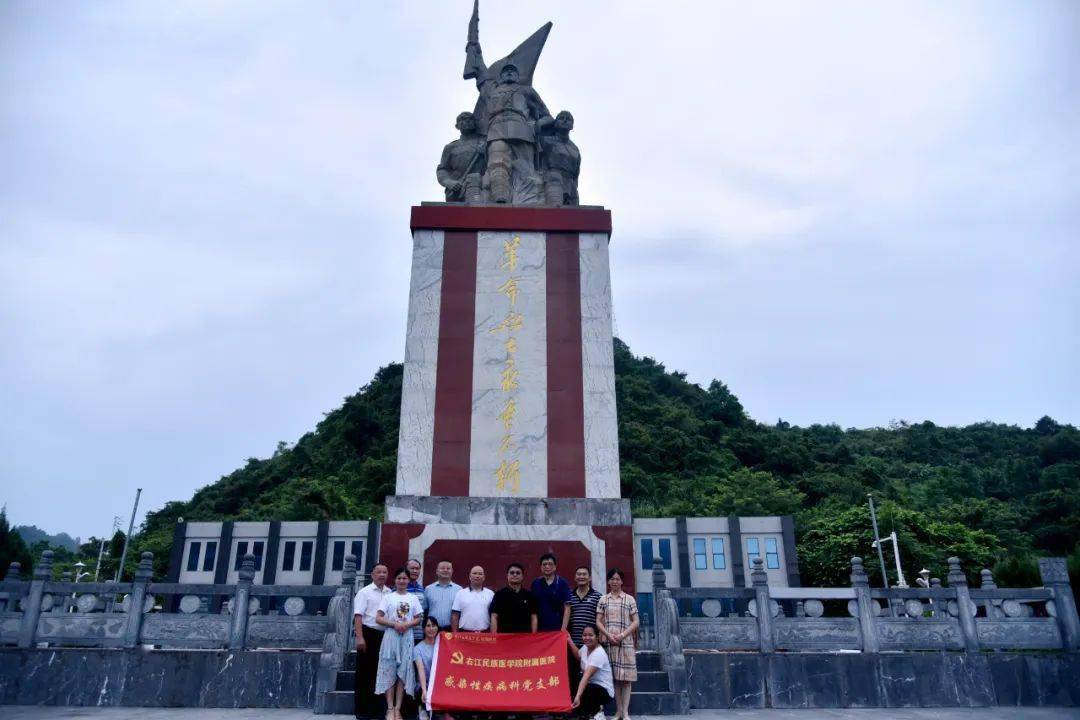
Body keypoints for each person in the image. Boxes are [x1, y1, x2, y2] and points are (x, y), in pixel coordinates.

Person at [375, 568, 423, 720]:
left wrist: (407, 624)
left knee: (403, 672)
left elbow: (418, 618)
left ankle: (398, 708)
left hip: (406, 637)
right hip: (391, 636)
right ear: (395, 580)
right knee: (389, 670)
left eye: (404, 578)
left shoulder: (413, 598)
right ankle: (389, 708)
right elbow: (379, 618)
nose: (402, 581)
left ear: (409, 580)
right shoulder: (388, 597)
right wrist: (393, 624)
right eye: (399, 578)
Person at [596, 569, 638, 720]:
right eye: (612, 579)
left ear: (622, 581)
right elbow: (598, 621)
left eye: (617, 579)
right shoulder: (603, 600)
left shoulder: (629, 599)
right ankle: (618, 711)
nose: (615, 581)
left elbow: (636, 621)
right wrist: (608, 635)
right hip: (609, 643)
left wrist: (622, 635)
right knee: (614, 678)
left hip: (625, 643)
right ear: (608, 581)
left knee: (626, 679)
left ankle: (626, 712)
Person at [354, 563, 392, 719]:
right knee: (365, 674)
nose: (382, 575)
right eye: (378, 572)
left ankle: (379, 710)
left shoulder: (389, 592)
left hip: (384, 636)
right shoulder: (365, 592)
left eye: (384, 572)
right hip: (368, 634)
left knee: (381, 673)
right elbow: (358, 616)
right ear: (372, 575)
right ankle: (362, 711)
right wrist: (360, 637)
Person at [567, 624, 614, 720]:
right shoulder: (585, 647)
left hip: (603, 690)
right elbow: (578, 656)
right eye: (584, 635)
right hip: (590, 685)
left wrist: (577, 696)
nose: (587, 638)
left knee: (586, 688)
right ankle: (585, 713)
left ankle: (597, 713)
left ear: (597, 637)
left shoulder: (599, 653)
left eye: (590, 635)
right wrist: (569, 640)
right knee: (574, 681)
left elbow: (586, 676)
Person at [567, 565, 602, 693]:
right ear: (575, 577)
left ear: (590, 578)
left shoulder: (598, 596)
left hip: (590, 645)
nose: (581, 576)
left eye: (584, 574)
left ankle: (589, 709)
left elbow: (601, 620)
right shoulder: (569, 596)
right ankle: (574, 709)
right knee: (573, 676)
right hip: (573, 643)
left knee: (591, 677)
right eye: (579, 574)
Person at [490, 562, 538, 633]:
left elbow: (533, 618)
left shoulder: (529, 595)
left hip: (525, 638)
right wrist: (494, 637)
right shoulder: (499, 595)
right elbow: (494, 616)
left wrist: (534, 637)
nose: (515, 575)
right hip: (504, 638)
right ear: (507, 575)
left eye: (518, 573)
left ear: (522, 576)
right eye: (512, 573)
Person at [530, 552, 572, 632]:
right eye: (544, 564)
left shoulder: (562, 583)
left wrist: (563, 630)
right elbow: (533, 610)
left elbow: (567, 607)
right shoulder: (535, 583)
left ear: (555, 567)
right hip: (540, 629)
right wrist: (534, 632)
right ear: (541, 567)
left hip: (557, 629)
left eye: (550, 564)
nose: (547, 566)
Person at [451, 565, 495, 633]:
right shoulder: (460, 593)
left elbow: (494, 616)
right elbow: (455, 615)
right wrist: (455, 634)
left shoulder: (491, 594)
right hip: (465, 634)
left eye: (480, 574)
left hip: (485, 634)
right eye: (474, 573)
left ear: (484, 577)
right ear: (470, 577)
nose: (477, 576)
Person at [413, 616, 441, 720]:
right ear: (423, 629)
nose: (431, 628)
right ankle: (423, 710)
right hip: (424, 684)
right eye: (428, 626)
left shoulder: (442, 645)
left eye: (434, 626)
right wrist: (424, 691)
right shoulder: (418, 649)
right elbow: (421, 670)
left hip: (440, 684)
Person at [424, 560, 462, 631]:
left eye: (448, 568)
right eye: (442, 568)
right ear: (437, 571)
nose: (445, 570)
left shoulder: (459, 590)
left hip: (451, 630)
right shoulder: (428, 589)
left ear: (452, 571)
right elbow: (425, 610)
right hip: (432, 630)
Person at [406, 558, 428, 642]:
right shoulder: (397, 589)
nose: (415, 571)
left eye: (417, 569)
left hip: (419, 634)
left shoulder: (422, 590)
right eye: (412, 568)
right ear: (406, 570)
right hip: (403, 632)